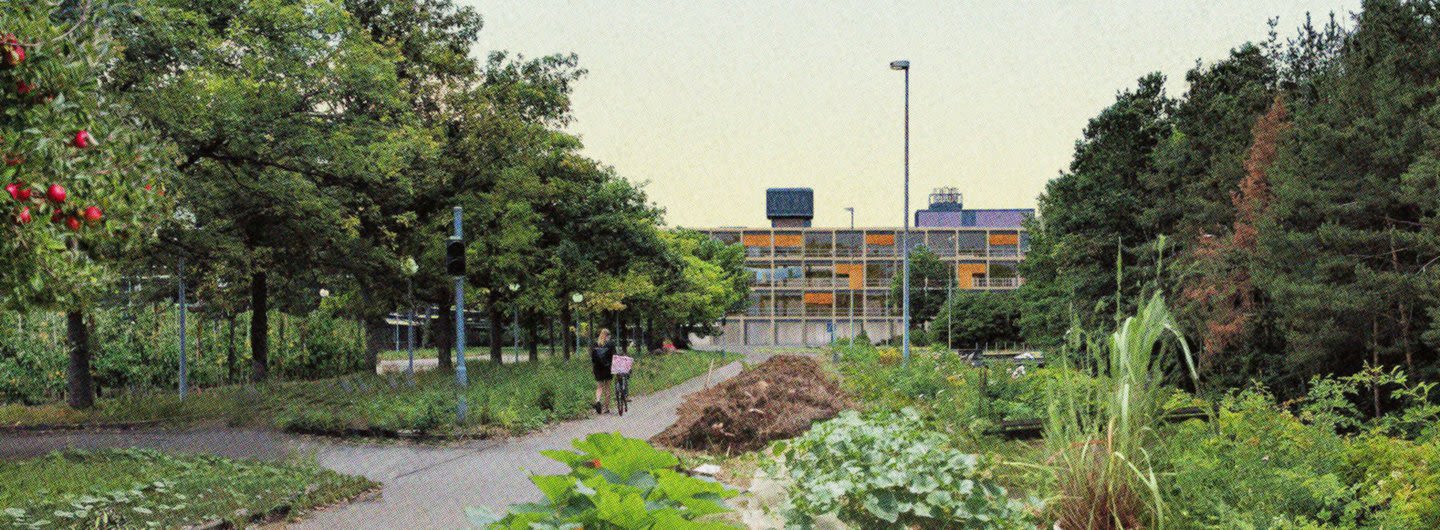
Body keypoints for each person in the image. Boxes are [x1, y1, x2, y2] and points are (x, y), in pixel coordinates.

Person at [590, 328, 615, 414]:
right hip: (607, 368)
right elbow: (614, 356)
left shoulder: (595, 344)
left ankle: (597, 401)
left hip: (597, 368)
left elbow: (593, 358)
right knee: (607, 387)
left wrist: (593, 368)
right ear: (608, 335)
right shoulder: (611, 344)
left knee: (599, 387)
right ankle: (606, 408)